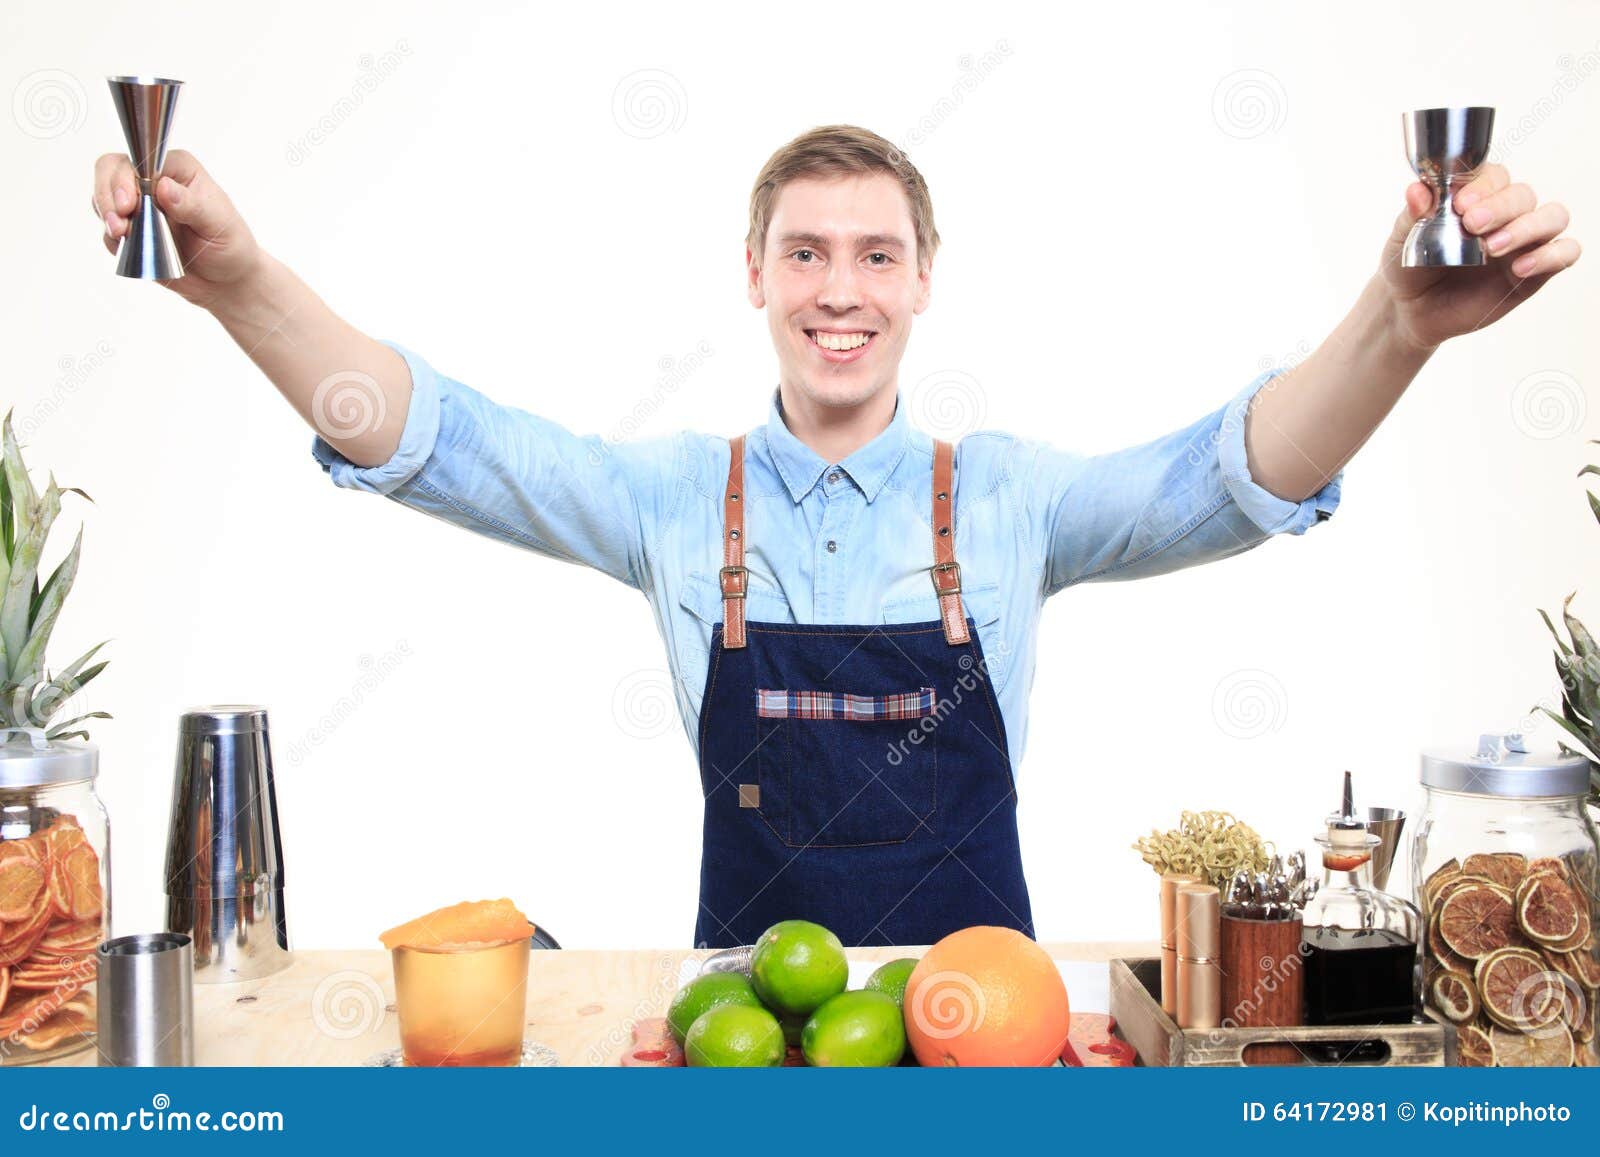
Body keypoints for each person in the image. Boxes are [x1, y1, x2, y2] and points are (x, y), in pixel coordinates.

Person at [92, 124, 1578, 948]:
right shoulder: (676, 500)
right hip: (739, 1043)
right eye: (805, 251)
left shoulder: (1007, 500)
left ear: (926, 281)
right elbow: (438, 437)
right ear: (754, 274)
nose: (839, 287)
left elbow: (1233, 470)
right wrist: (235, 280)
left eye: (877, 253)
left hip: (985, 1052)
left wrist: (1398, 325)